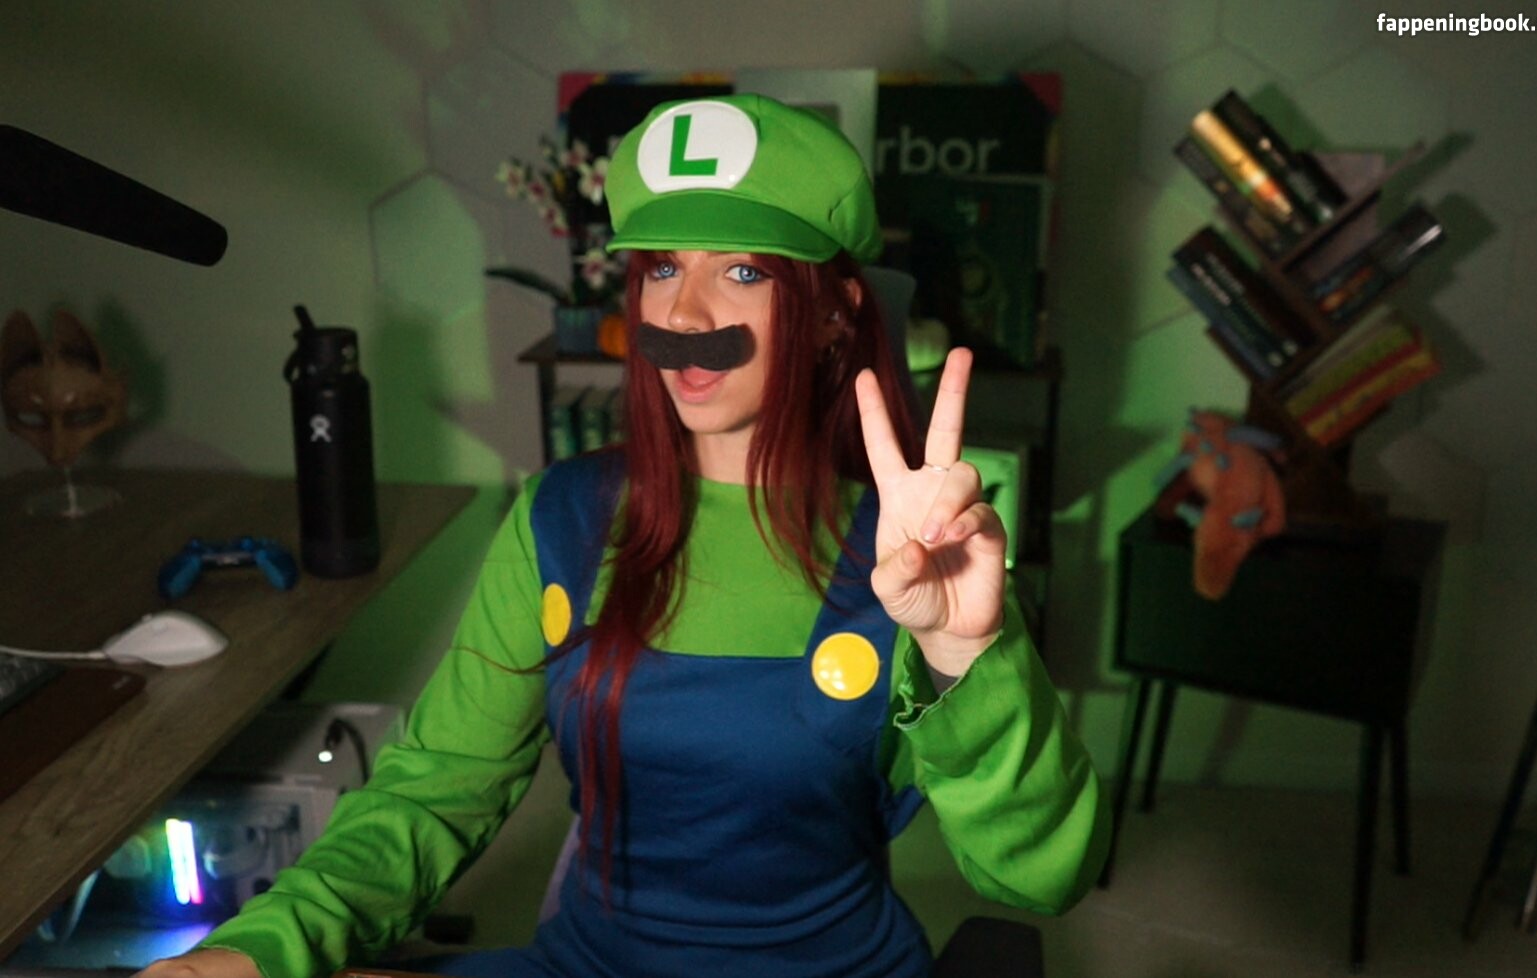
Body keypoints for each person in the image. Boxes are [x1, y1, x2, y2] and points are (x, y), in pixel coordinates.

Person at [137, 93, 1108, 978]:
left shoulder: (912, 552)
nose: (683, 314)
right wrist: (258, 949)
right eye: (661, 269)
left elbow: (1039, 879)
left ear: (831, 315)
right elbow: (435, 790)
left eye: (741, 271)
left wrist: (964, 654)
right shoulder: (559, 518)